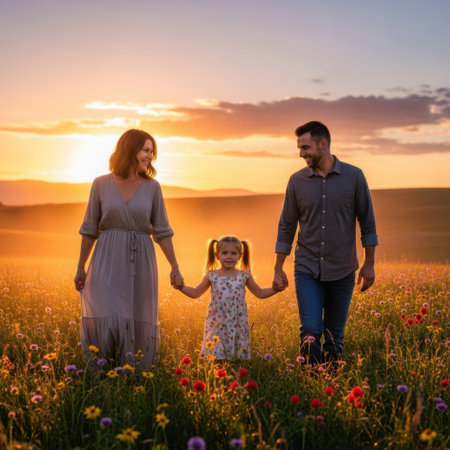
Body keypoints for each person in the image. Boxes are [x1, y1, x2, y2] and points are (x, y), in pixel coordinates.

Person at [74, 129, 183, 369]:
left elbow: (162, 231)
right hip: (107, 258)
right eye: (146, 150)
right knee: (112, 313)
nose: (150, 156)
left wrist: (175, 266)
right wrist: (81, 267)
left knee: (136, 313)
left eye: (152, 152)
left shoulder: (153, 187)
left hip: (141, 259)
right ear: (130, 150)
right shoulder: (100, 184)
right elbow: (90, 228)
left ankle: (133, 371)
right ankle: (103, 367)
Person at [273, 121, 378, 364]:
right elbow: (286, 226)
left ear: (323, 144)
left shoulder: (354, 177)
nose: (301, 154)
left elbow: (368, 223)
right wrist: (278, 267)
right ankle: (310, 383)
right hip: (306, 268)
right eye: (299, 148)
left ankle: (330, 386)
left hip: (343, 270)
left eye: (305, 147)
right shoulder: (296, 181)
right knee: (310, 329)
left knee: (334, 337)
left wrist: (369, 263)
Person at [176, 236, 284, 360]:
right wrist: (181, 287)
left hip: (237, 322)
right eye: (225, 253)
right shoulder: (212, 275)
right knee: (216, 356)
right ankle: (217, 376)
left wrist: (276, 289)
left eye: (233, 253)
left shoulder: (244, 275)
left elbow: (259, 293)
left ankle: (236, 376)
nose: (229, 256)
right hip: (217, 322)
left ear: (240, 255)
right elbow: (195, 292)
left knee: (236, 357)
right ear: (217, 255)